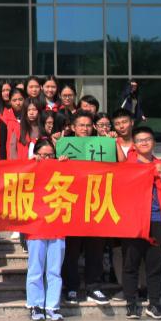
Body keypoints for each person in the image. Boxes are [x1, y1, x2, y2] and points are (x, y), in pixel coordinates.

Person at [122, 126, 161, 319]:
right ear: (134, 145)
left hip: (157, 219)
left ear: (153, 142)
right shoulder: (127, 166)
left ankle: (154, 304)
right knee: (131, 263)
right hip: (134, 220)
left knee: (155, 265)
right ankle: (131, 304)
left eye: (147, 139)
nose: (144, 143)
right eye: (140, 140)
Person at [61, 111, 109, 306]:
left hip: (95, 202)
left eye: (88, 125)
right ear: (73, 127)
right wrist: (60, 162)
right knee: (71, 250)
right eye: (81, 125)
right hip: (72, 203)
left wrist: (110, 142)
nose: (85, 129)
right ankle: (71, 287)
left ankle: (93, 286)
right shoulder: (64, 146)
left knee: (95, 248)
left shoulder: (103, 146)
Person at [26, 138, 67, 321]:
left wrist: (66, 165)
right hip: (35, 226)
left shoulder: (61, 170)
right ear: (36, 154)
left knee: (54, 269)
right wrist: (31, 164)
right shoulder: (28, 169)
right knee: (36, 268)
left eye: (50, 155)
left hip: (57, 225)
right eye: (43, 155)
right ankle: (35, 305)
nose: (47, 158)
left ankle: (52, 306)